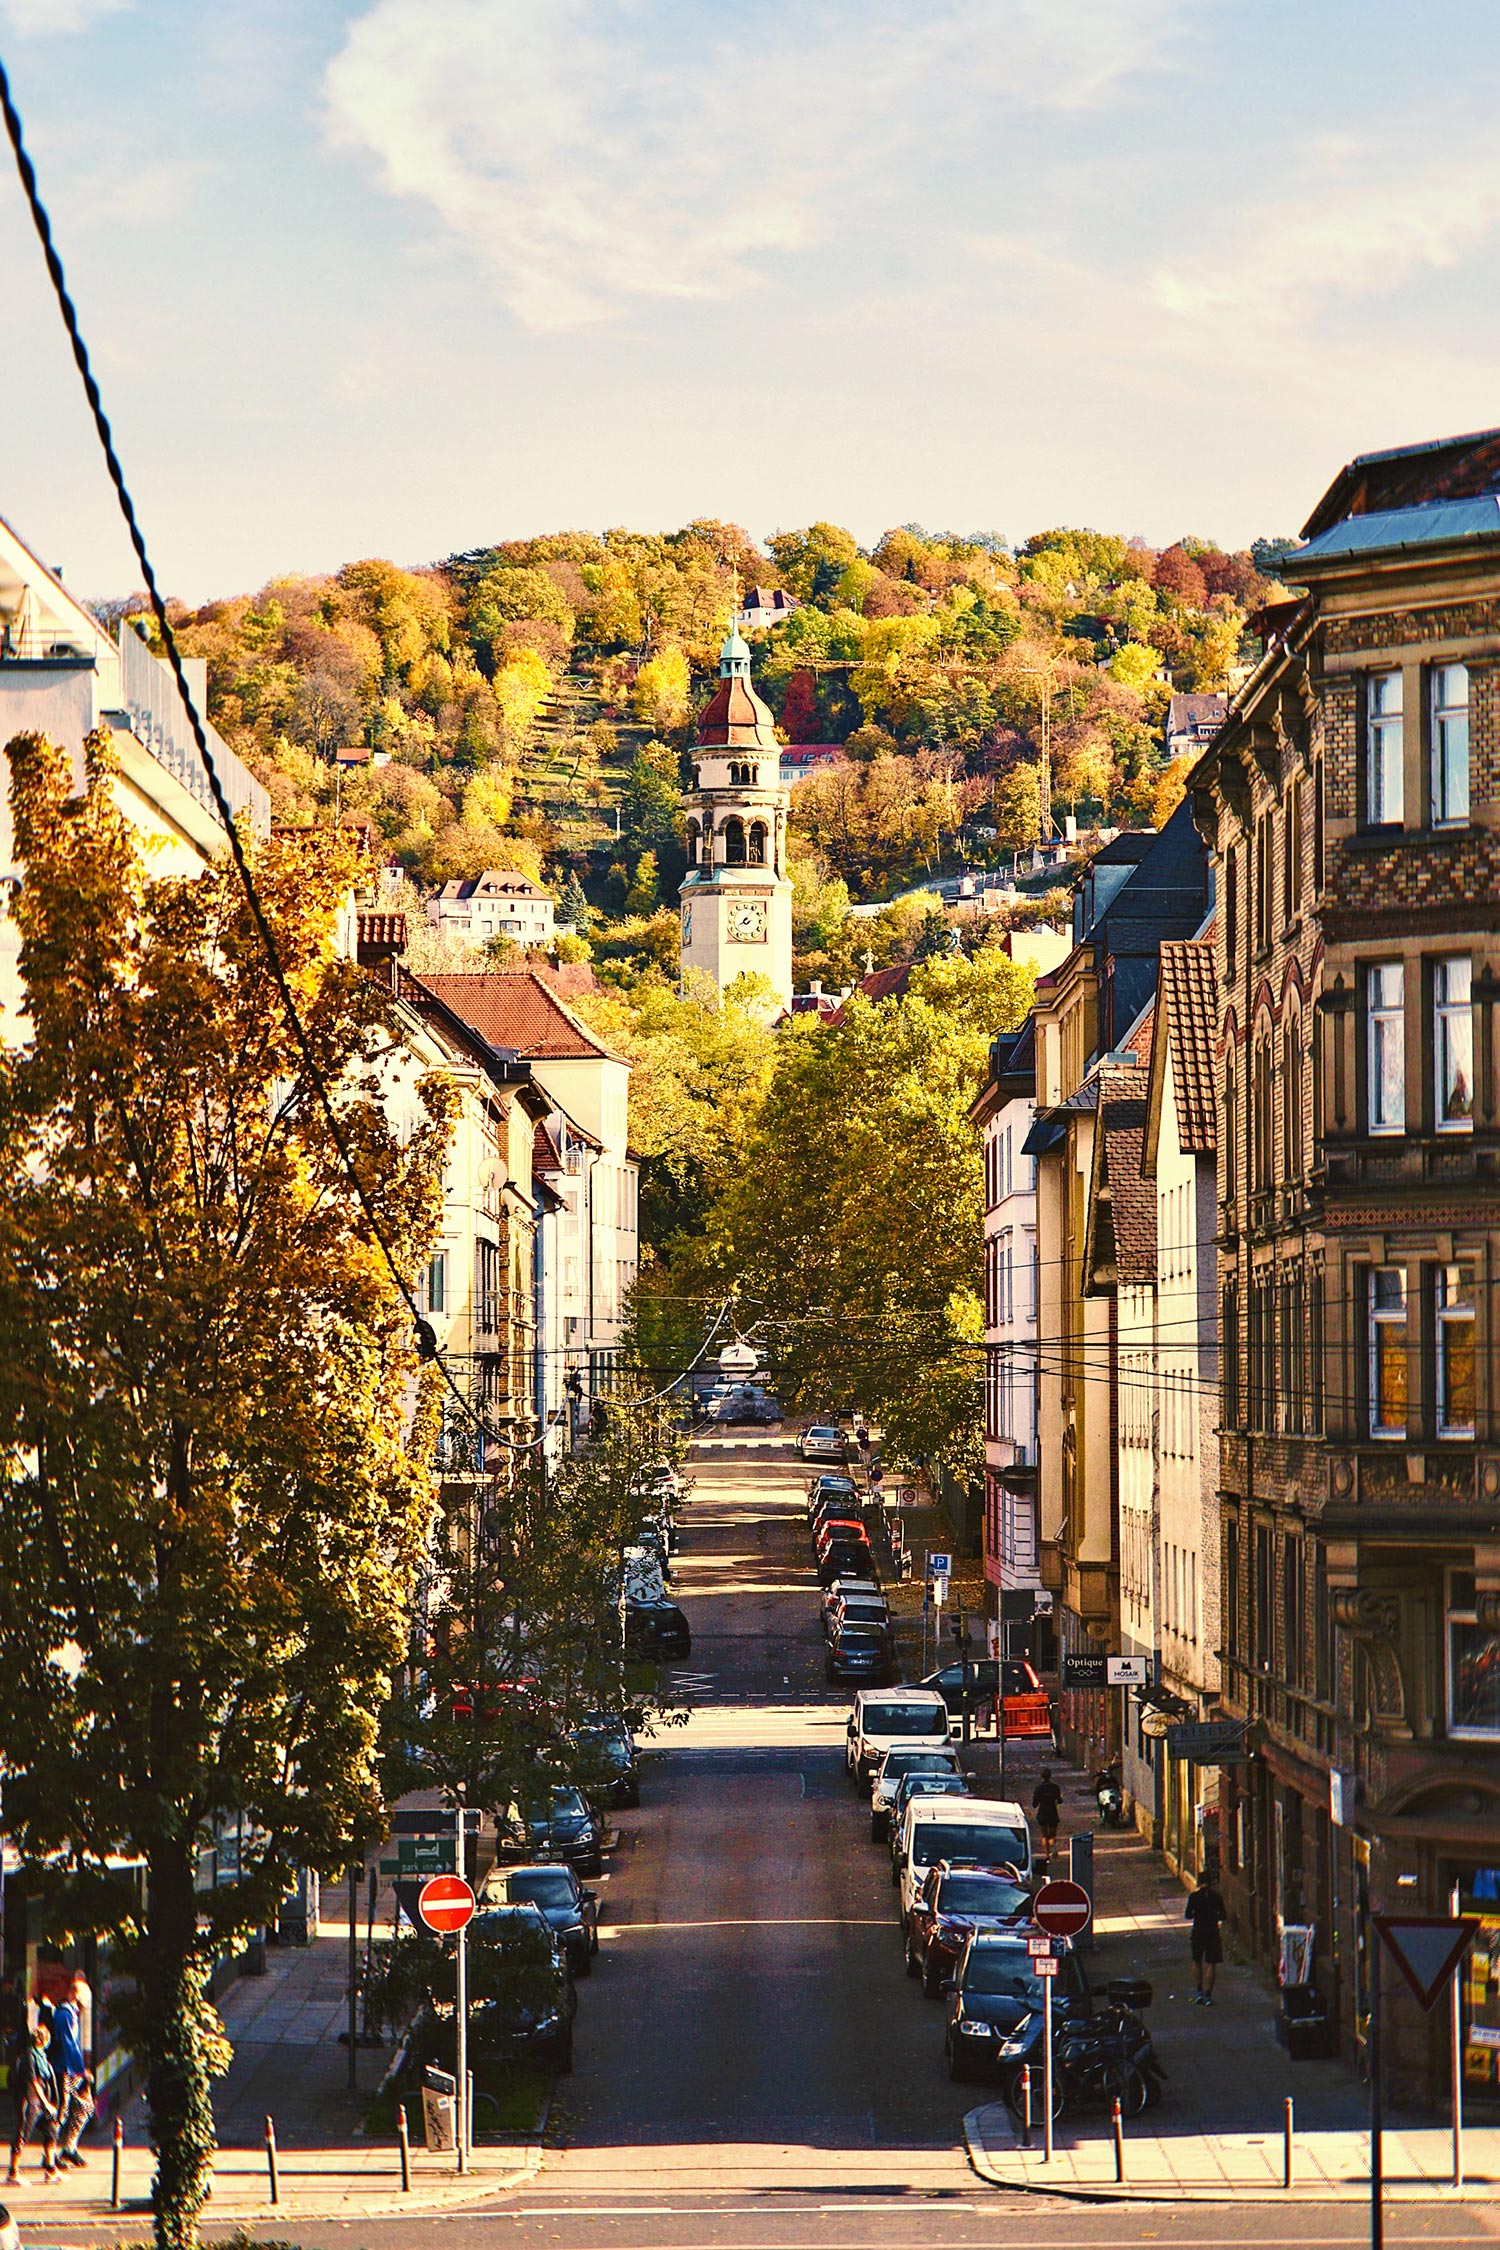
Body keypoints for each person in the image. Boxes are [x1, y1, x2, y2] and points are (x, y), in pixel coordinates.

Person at [7, 2025, 59, 2183]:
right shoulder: (29, 2056)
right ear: (42, 2040)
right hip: (30, 2101)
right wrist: (46, 2103)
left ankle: (51, 2169)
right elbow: (34, 2081)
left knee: (51, 2131)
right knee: (23, 2135)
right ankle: (13, 2172)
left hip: (41, 2101)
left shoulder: (41, 2056)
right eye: (47, 2038)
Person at [49, 1983, 91, 2169]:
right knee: (62, 2111)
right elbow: (69, 2045)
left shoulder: (70, 2013)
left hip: (70, 2070)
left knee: (84, 2106)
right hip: (64, 2070)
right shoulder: (65, 2015)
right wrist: (81, 2070)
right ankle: (52, 2152)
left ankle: (69, 2147)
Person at [1186, 1867, 1226, 2003]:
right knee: (1211, 1963)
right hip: (1212, 1932)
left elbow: (1188, 1915)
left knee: (1196, 1960)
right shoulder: (1217, 1897)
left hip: (1198, 1931)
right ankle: (1208, 1994)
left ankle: (1199, 1991)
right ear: (1211, 1882)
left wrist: (1197, 1914)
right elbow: (1223, 1916)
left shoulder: (1194, 1897)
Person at [1031, 1765, 1063, 1855]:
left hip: (1042, 1814)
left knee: (1044, 1835)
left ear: (1041, 1777)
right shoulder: (1055, 1787)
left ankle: (1047, 1855)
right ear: (1050, 1776)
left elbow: (1034, 1804)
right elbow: (1059, 1800)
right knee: (1052, 1834)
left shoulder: (1038, 1789)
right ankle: (1053, 1846)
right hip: (1052, 1813)